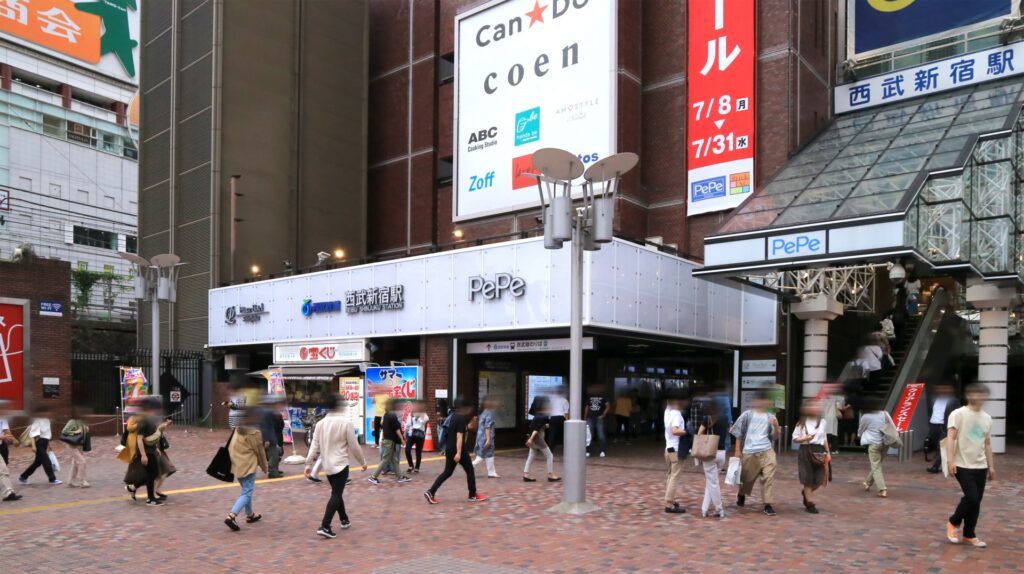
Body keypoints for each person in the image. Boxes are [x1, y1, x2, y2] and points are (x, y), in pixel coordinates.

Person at [305, 395, 368, 539]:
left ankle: (344, 519)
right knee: (336, 494)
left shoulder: (320, 423)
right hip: (341, 465)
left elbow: (314, 446)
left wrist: (308, 464)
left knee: (336, 492)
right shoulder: (346, 423)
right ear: (340, 406)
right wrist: (362, 462)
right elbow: (354, 446)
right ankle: (325, 526)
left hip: (327, 466)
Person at [945, 383, 995, 548]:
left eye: (982, 394)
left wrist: (991, 466)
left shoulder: (987, 417)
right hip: (961, 464)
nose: (979, 397)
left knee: (976, 501)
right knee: (972, 497)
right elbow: (950, 438)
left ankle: (969, 534)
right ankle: (953, 522)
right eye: (976, 393)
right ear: (969, 395)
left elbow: (987, 443)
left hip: (980, 466)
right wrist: (950, 461)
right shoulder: (958, 414)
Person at [424, 398, 487, 504]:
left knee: (447, 472)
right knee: (470, 470)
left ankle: (430, 492)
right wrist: (458, 453)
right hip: (458, 450)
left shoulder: (452, 416)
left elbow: (455, 432)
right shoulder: (461, 418)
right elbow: (459, 437)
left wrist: (467, 427)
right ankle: (472, 495)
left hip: (449, 448)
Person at [731, 392, 779, 516]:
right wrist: (737, 451)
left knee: (768, 478)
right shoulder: (747, 415)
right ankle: (741, 493)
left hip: (767, 450)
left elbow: (775, 437)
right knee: (746, 479)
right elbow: (738, 433)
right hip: (749, 451)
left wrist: (776, 426)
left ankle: (768, 504)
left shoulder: (771, 416)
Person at [224, 410, 268, 531]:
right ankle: (232, 516)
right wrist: (265, 466)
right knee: (247, 492)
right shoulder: (254, 432)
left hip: (236, 463)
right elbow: (260, 451)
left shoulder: (239, 428)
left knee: (246, 490)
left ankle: (250, 515)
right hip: (247, 464)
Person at [793, 400, 829, 514]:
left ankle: (805, 493)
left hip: (819, 451)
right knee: (807, 478)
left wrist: (828, 452)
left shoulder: (822, 422)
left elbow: (824, 438)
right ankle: (810, 503)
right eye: (813, 406)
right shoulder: (801, 423)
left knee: (819, 479)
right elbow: (795, 438)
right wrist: (805, 439)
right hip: (805, 450)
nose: (817, 408)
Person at [368, 399, 411, 484]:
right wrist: (402, 439)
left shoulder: (386, 415)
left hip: (387, 440)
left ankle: (400, 476)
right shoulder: (392, 415)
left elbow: (383, 426)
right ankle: (373, 477)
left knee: (393, 459)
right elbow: (397, 429)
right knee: (385, 459)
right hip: (390, 441)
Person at [697, 400, 728, 518]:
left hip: (710, 453)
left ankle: (719, 509)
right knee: (711, 482)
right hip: (722, 454)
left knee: (713, 483)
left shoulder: (707, 419)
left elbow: (699, 434)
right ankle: (704, 509)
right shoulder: (724, 418)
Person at [18, 405, 60, 485]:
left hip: (44, 442)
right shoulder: (37, 420)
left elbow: (46, 434)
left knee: (37, 463)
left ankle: (23, 477)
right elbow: (33, 434)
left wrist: (48, 445)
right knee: (46, 460)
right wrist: (33, 446)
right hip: (38, 442)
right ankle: (52, 479)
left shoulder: (47, 420)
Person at [859, 401, 892, 498]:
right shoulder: (885, 414)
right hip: (885, 443)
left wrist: (860, 435)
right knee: (877, 465)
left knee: (876, 466)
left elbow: (861, 430)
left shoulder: (866, 416)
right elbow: (891, 425)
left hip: (874, 444)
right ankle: (867, 482)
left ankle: (883, 489)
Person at [523, 396, 559, 483]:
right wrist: (531, 439)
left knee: (531, 456)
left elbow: (535, 426)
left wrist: (544, 426)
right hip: (538, 438)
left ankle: (526, 474)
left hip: (534, 437)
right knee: (549, 455)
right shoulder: (544, 416)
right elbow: (536, 429)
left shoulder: (537, 415)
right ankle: (550, 475)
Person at [662, 394, 687, 514]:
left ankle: (673, 500)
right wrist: (686, 432)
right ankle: (669, 502)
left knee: (670, 475)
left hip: (668, 448)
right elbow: (675, 430)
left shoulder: (667, 411)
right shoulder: (676, 413)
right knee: (675, 476)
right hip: (676, 449)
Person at [927, 384, 960, 474]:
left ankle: (935, 466)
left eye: (944, 388)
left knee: (941, 447)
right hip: (934, 425)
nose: (942, 390)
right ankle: (940, 464)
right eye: (939, 388)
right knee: (935, 445)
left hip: (944, 426)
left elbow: (957, 414)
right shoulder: (933, 399)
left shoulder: (954, 401)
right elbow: (931, 411)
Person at [61, 410, 90, 488]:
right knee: (82, 461)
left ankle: (71, 481)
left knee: (75, 463)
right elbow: (64, 431)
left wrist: (86, 429)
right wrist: (75, 432)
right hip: (71, 444)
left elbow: (83, 432)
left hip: (80, 444)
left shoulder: (82, 421)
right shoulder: (72, 421)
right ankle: (83, 481)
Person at [0, 401, 23, 501]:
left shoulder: (3, 419)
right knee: (3, 470)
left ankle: (8, 493)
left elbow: (7, 432)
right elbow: (3, 435)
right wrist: (3, 437)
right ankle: (8, 493)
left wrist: (14, 440)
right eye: (4, 408)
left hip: (1, 445)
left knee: (3, 468)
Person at [473, 396, 500, 478]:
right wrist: (488, 439)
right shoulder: (488, 413)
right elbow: (487, 427)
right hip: (486, 437)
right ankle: (470, 466)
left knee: (489, 454)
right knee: (481, 456)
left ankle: (491, 472)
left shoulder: (482, 412)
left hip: (480, 437)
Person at [259, 396, 284, 478]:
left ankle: (274, 470)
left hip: (272, 436)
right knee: (274, 454)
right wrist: (266, 439)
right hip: (269, 437)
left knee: (276, 453)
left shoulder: (267, 411)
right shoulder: (266, 412)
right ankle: (273, 472)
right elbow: (264, 426)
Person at [585, 385, 611, 458]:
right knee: (589, 435)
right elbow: (587, 407)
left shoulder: (603, 396)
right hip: (590, 418)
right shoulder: (589, 397)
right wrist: (585, 418)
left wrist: (603, 415)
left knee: (601, 435)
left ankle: (602, 451)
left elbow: (608, 406)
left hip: (599, 418)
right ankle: (588, 451)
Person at [406, 401, 429, 474]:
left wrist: (418, 418)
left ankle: (417, 467)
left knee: (418, 452)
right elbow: (408, 424)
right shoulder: (411, 413)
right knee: (407, 449)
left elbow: (425, 420)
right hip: (412, 434)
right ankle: (410, 465)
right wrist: (405, 434)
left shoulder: (423, 414)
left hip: (420, 434)